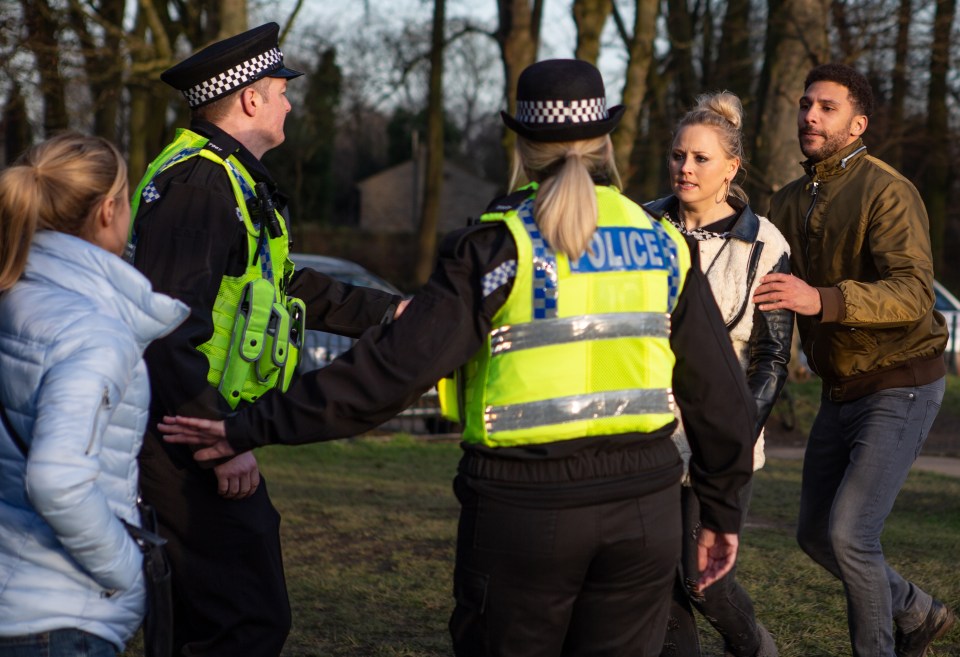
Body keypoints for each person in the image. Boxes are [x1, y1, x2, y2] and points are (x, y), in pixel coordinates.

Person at [158, 58, 757, 657]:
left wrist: (249, 427)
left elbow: (386, 377)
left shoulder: (497, 246)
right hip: (644, 517)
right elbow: (723, 399)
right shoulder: (663, 243)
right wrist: (721, 513)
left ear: (521, 142)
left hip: (525, 518)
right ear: (603, 138)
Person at [128, 23, 405, 656]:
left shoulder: (229, 181)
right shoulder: (200, 186)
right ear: (251, 99)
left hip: (192, 432)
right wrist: (221, 443)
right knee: (246, 621)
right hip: (186, 437)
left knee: (207, 619)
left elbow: (283, 283)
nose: (288, 104)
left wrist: (397, 314)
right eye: (281, 91)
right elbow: (167, 331)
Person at [753, 62, 954, 657]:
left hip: (902, 381)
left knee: (850, 535)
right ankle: (915, 612)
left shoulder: (888, 190)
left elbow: (915, 292)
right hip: (840, 389)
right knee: (815, 533)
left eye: (828, 107)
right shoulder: (786, 200)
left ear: (857, 123)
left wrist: (824, 299)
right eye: (805, 103)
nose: (810, 115)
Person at [0, 133, 188, 655]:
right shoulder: (94, 332)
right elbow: (57, 481)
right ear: (109, 211)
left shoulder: (12, 296)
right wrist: (127, 572)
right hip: (58, 616)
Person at [646, 91, 791, 657]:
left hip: (722, 438)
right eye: (679, 155)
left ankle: (754, 647)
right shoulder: (642, 227)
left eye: (701, 158)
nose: (685, 167)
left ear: (731, 168)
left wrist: (731, 435)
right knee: (655, 581)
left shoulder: (765, 245)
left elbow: (771, 359)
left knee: (702, 579)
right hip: (647, 433)